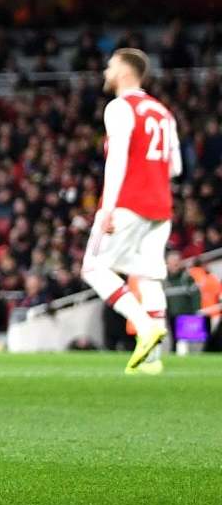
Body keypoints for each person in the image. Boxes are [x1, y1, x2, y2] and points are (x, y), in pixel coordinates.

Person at [81, 46, 179, 376]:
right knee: (148, 276)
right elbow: (175, 166)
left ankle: (143, 326)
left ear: (125, 71)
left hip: (128, 202)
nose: (106, 72)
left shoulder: (120, 107)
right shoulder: (163, 112)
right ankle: (153, 362)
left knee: (93, 268)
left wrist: (107, 208)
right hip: (161, 205)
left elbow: (117, 159)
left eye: (110, 66)